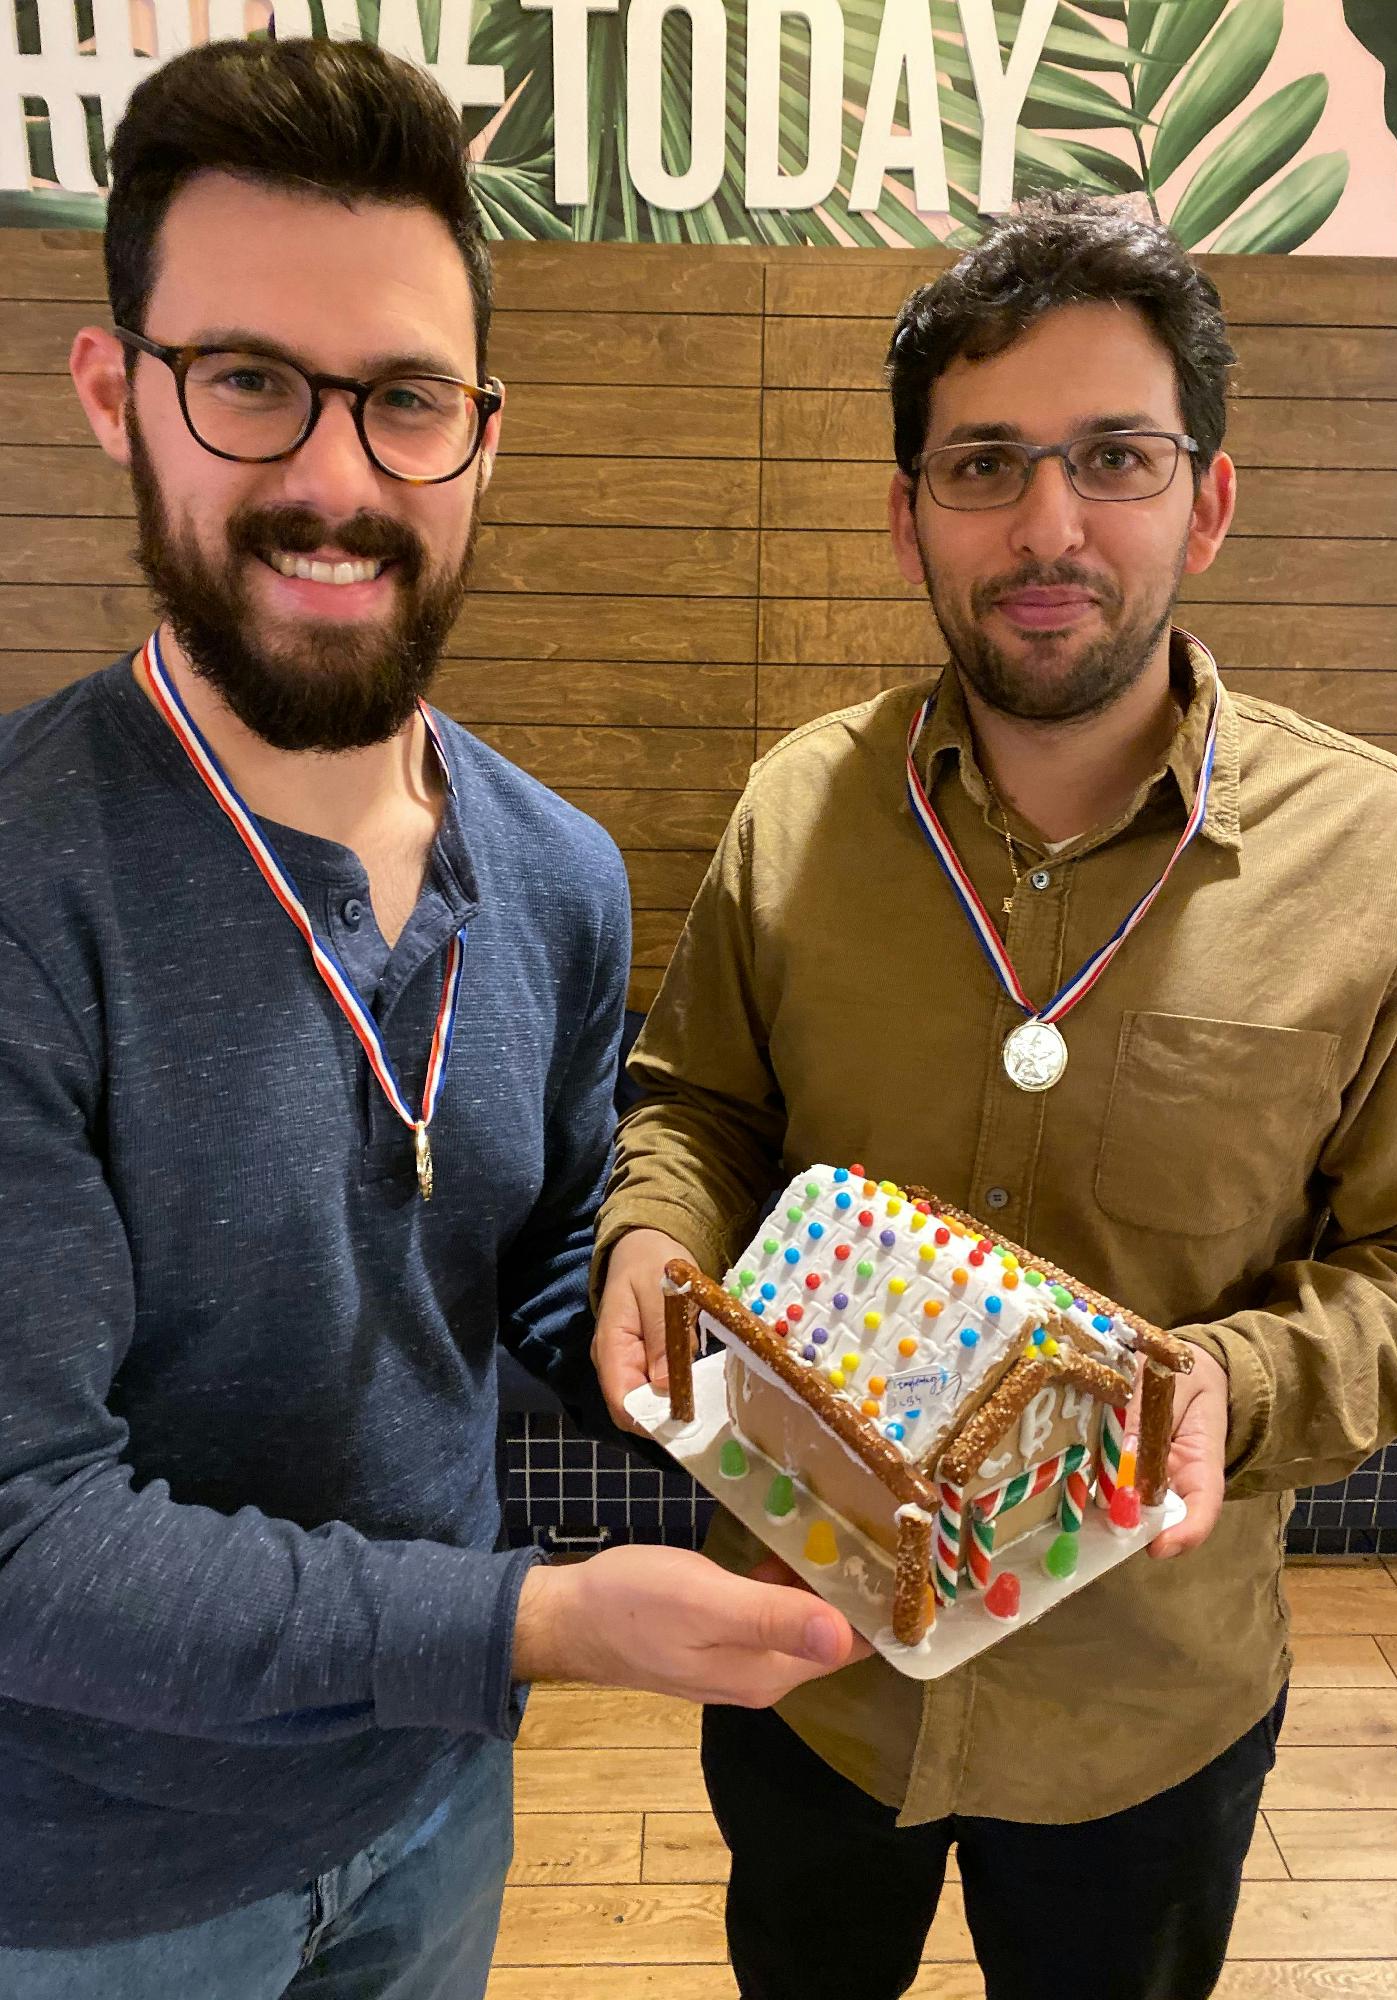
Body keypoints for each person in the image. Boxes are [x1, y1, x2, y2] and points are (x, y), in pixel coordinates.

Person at [0, 36, 863, 1997]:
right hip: (92, 1887)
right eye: (246, 385)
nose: (331, 477)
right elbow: (23, 1545)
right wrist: (535, 1624)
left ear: (483, 432)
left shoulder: (552, 869)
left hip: (434, 1813)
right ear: (113, 394)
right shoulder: (25, 889)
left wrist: (746, 1394)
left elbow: (540, 1248)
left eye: (401, 398)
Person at [593, 192, 1397, 2000]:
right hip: (806, 1658)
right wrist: (649, 1225)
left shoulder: (1386, 864)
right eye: (985, 464)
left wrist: (1215, 1393)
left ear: (1207, 498)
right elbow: (698, 1107)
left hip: (1146, 1708)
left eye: (1115, 458)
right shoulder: (800, 813)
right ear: (910, 514)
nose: (1049, 525)